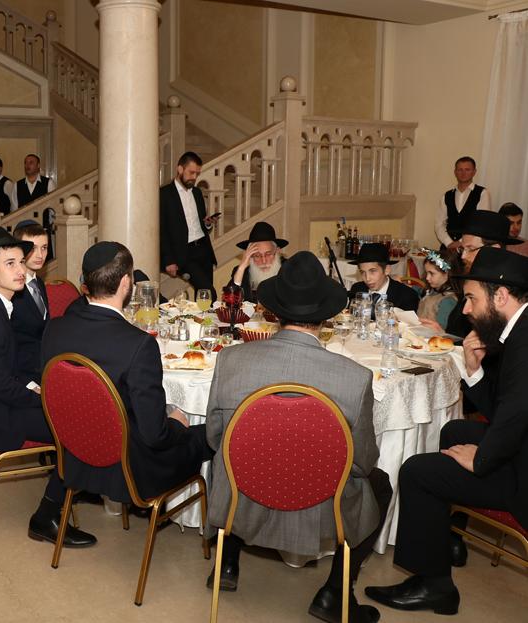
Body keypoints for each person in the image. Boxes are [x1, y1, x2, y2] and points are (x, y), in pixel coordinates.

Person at [206, 251, 391, 623]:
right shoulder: (355, 378)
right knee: (380, 483)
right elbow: (361, 462)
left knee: (229, 456)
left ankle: (227, 563)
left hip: (242, 494)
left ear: (274, 312)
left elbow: (215, 438)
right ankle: (335, 594)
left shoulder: (231, 360)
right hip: (320, 505)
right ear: (325, 317)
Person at [366, 247, 528, 616]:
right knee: (455, 430)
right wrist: (473, 369)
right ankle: (443, 536)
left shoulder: (524, 342)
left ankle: (433, 585)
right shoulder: (517, 330)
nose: (466, 309)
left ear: (501, 296)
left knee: (417, 471)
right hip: (520, 447)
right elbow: (504, 410)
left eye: (472, 298)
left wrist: (482, 459)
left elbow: (517, 412)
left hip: (523, 474)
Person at [0, 227, 96, 548]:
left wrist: (37, 386)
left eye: (21, 261)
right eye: (10, 264)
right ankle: (46, 517)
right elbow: (1, 386)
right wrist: (45, 399)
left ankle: (76, 480)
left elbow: (10, 368)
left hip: (0, 401)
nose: (20, 270)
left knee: (73, 408)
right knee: (77, 427)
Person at [41, 240, 211, 501]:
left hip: (74, 452)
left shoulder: (55, 329)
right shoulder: (139, 345)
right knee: (214, 433)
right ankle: (214, 524)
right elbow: (155, 436)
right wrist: (177, 424)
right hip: (130, 468)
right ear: (125, 283)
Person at [444, 210, 520, 338]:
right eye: (462, 249)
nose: (463, 256)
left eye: (470, 248)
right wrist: (442, 335)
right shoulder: (471, 279)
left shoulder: (509, 290)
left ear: (494, 249)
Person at [160, 151, 219, 299]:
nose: (194, 177)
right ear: (180, 169)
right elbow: (161, 230)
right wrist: (168, 260)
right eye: (191, 172)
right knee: (209, 292)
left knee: (204, 296)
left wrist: (207, 224)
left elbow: (201, 223)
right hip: (184, 254)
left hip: (204, 249)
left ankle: (204, 315)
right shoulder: (164, 194)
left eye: (197, 174)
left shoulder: (197, 193)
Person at [9, 221, 49, 382]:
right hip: (21, 372)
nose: (40, 255)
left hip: (41, 363)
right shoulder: (11, 291)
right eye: (32, 248)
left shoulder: (38, 282)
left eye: (44, 248)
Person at [436, 156, 491, 251]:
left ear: (474, 172)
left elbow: (482, 223)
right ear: (455, 172)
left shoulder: (482, 193)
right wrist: (449, 243)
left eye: (467, 170)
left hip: (470, 249)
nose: (463, 173)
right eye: (460, 170)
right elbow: (439, 224)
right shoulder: (447, 195)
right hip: (448, 248)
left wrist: (461, 242)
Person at [347, 242, 420, 314]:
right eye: (363, 272)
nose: (367, 278)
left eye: (372, 271)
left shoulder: (406, 296)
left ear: (387, 270)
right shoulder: (357, 289)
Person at [227, 221, 287, 302]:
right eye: (257, 256)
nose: (264, 261)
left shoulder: (289, 270)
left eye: (268, 254)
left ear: (277, 251)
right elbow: (229, 301)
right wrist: (241, 267)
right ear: (250, 256)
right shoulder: (242, 272)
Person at [417, 248, 459, 331]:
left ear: (447, 274)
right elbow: (421, 291)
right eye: (426, 273)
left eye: (431, 273)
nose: (427, 278)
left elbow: (441, 330)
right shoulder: (433, 291)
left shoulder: (447, 301)